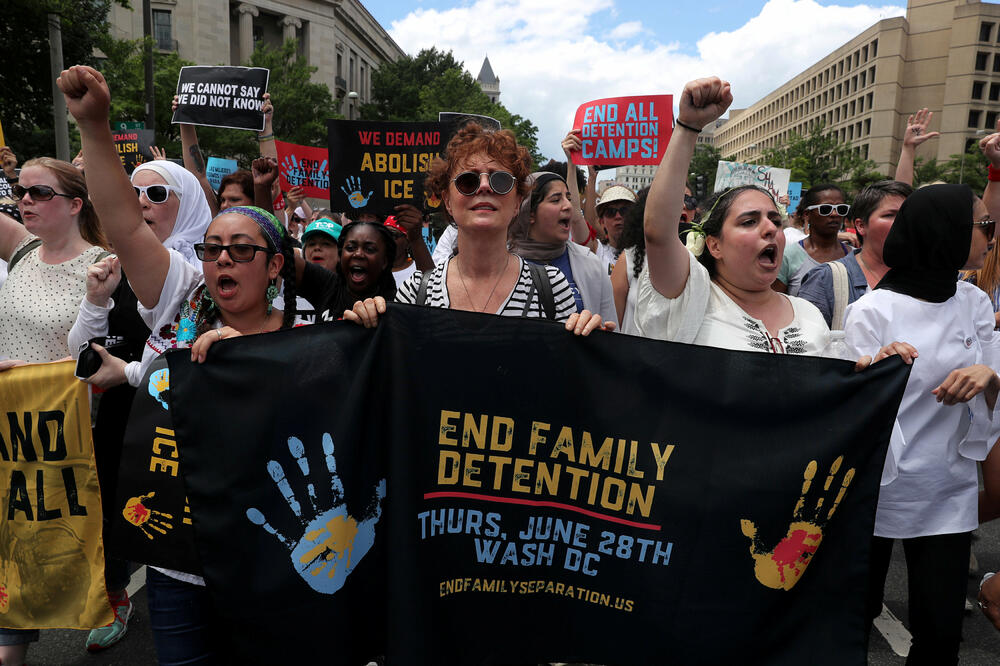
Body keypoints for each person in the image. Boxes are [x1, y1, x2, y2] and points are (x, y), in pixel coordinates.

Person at [59, 63, 302, 665]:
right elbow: (123, 223)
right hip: (178, 560)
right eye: (213, 248)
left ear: (274, 266)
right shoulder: (183, 292)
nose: (223, 259)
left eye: (242, 250)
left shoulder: (309, 332)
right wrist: (95, 125)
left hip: (270, 556)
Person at [635, 76, 912, 366]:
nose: (770, 228)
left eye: (775, 221)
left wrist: (877, 370)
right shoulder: (691, 297)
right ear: (714, 245)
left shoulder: (808, 313)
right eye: (749, 222)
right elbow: (658, 232)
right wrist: (688, 126)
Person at [844, 183, 1000, 665]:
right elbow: (853, 408)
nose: (991, 237)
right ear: (945, 232)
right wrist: (879, 369)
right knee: (855, 617)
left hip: (947, 488)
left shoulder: (972, 301)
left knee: (940, 633)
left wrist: (988, 374)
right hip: (879, 489)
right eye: (984, 225)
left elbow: (995, 384)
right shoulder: (872, 311)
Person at [346, 122, 608, 336]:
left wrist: (593, 343)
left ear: (518, 201)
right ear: (447, 201)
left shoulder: (552, 287)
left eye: (501, 179)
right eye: (468, 180)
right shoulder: (416, 293)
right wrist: (366, 326)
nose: (484, 186)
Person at [0, 156, 108, 665]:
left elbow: (105, 354)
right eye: (21, 191)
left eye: (39, 193)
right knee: (11, 541)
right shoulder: (20, 250)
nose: (24, 201)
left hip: (70, 437)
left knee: (53, 543)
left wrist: (43, 374)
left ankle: (116, 592)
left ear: (74, 204)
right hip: (9, 428)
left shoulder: (104, 265)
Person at [508, 170, 617, 327]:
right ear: (529, 212)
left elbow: (612, 332)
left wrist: (601, 334)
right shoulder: (500, 262)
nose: (568, 206)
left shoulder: (590, 264)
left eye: (569, 198)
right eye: (556, 200)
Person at [797, 180, 913, 328]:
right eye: (890, 215)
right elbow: (805, 345)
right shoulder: (826, 279)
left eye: (907, 215)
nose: (902, 222)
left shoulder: (928, 277)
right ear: (861, 225)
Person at [296, 219, 398, 322]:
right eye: (350, 248)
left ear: (384, 261)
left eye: (369, 249)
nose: (358, 254)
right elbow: (283, 257)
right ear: (340, 255)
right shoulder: (327, 285)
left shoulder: (397, 304)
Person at [774, 183, 853, 296]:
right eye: (825, 209)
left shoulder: (855, 256)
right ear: (807, 214)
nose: (834, 214)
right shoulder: (788, 256)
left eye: (841, 209)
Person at [594, 185, 636, 271]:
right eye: (610, 212)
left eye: (624, 211)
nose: (618, 216)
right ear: (602, 222)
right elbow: (576, 219)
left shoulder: (647, 252)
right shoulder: (597, 251)